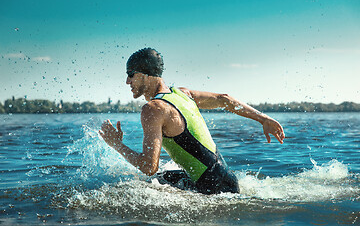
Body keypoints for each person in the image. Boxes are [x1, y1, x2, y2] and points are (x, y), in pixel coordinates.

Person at [99, 48, 285, 194]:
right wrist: (264, 119)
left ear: (145, 74)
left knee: (145, 183)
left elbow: (149, 166)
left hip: (211, 189)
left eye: (130, 74)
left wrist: (117, 145)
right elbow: (225, 99)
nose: (127, 81)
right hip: (228, 180)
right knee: (158, 180)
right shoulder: (182, 93)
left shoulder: (153, 109)